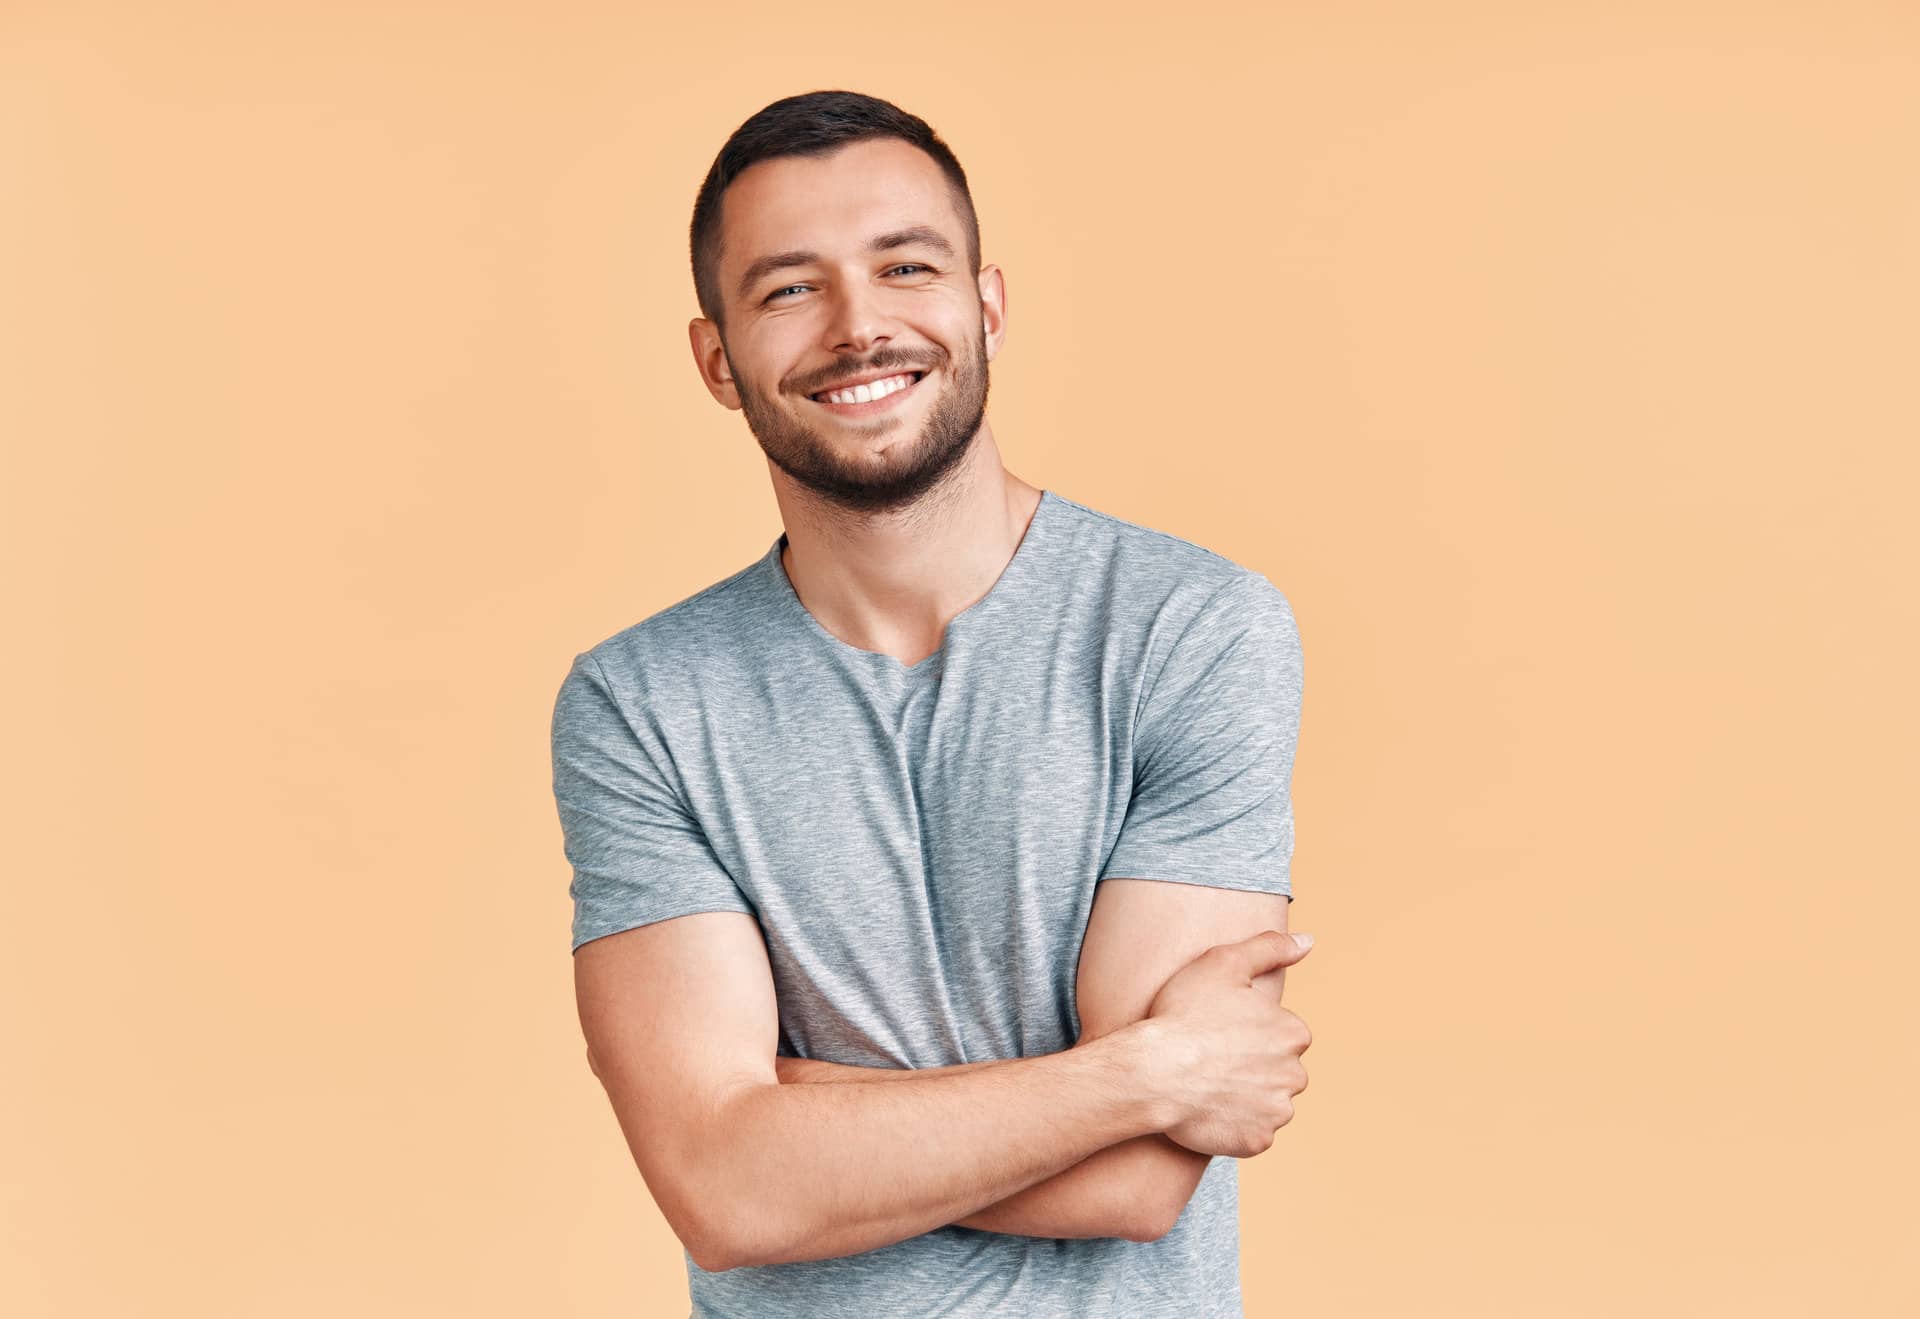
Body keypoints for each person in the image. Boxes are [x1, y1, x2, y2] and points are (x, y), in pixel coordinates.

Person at [551, 88, 1313, 1318]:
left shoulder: (1190, 625)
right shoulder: (642, 701)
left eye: (907, 266)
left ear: (987, 306)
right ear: (717, 361)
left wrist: (800, 1117)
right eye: (790, 288)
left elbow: (1135, 1180)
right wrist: (1152, 1068)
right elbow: (728, 1194)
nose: (861, 325)